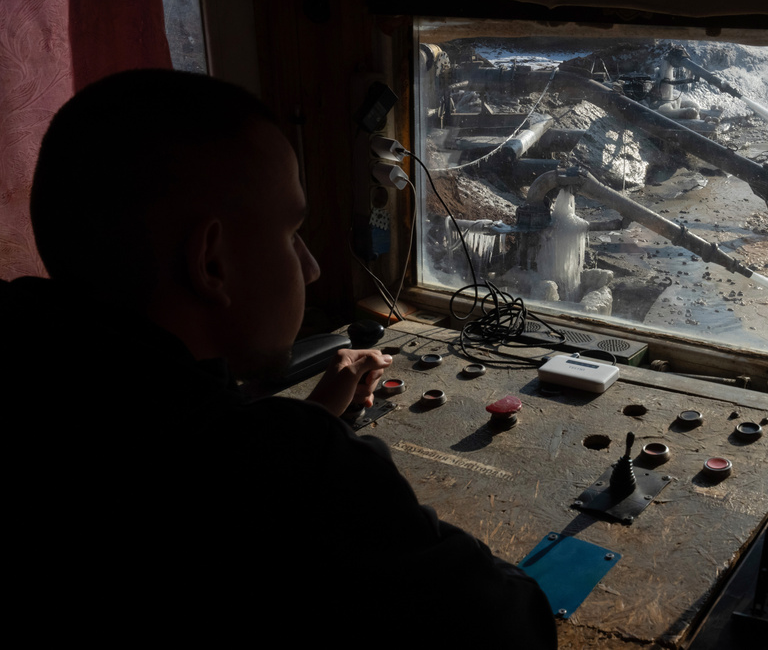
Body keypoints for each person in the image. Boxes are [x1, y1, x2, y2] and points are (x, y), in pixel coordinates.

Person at [2, 69, 556, 646]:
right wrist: (308, 451)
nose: (312, 266)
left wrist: (305, 420)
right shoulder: (288, 473)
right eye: (291, 232)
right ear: (211, 264)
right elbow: (511, 625)